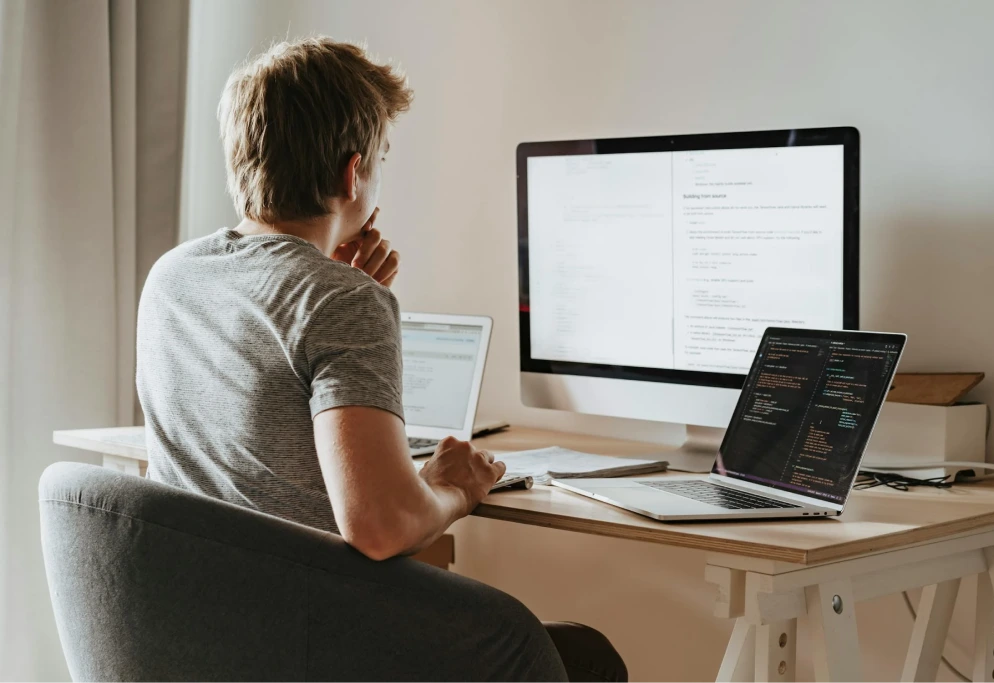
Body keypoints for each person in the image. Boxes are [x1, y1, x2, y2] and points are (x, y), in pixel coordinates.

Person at [136, 36, 627, 683]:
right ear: (352, 172)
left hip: (201, 636)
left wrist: (340, 287)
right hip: (307, 639)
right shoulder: (342, 299)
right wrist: (455, 486)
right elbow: (380, 525)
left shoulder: (174, 275)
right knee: (586, 655)